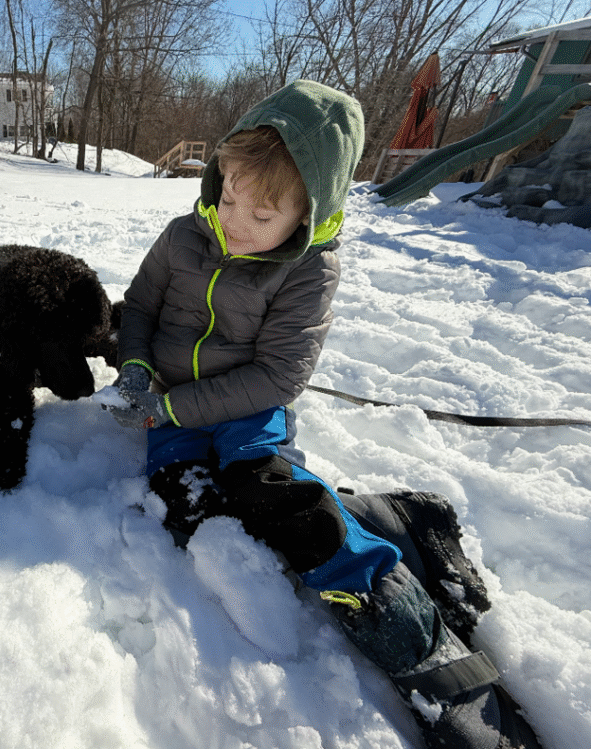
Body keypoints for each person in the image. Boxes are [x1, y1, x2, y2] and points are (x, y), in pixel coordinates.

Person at [105, 80, 541, 749]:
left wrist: (172, 402)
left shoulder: (308, 270)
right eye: (228, 196)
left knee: (281, 506)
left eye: (263, 213)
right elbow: (136, 308)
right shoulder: (183, 237)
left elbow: (279, 374)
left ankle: (414, 639)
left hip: (244, 410)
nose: (234, 220)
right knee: (186, 506)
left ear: (308, 216)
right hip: (169, 407)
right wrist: (135, 368)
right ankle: (392, 514)